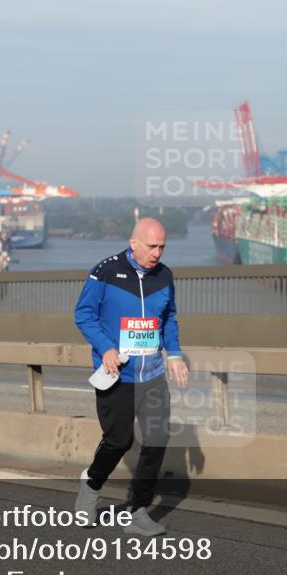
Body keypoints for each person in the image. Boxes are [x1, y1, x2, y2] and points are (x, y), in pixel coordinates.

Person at [73, 218, 189, 535]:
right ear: (133, 242)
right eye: (152, 246)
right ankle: (92, 484)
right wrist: (106, 347)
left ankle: (138, 512)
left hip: (151, 375)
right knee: (118, 441)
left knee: (155, 441)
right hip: (117, 374)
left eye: (162, 246)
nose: (157, 253)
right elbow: (83, 314)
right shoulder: (105, 271)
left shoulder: (164, 277)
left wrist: (175, 353)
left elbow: (169, 318)